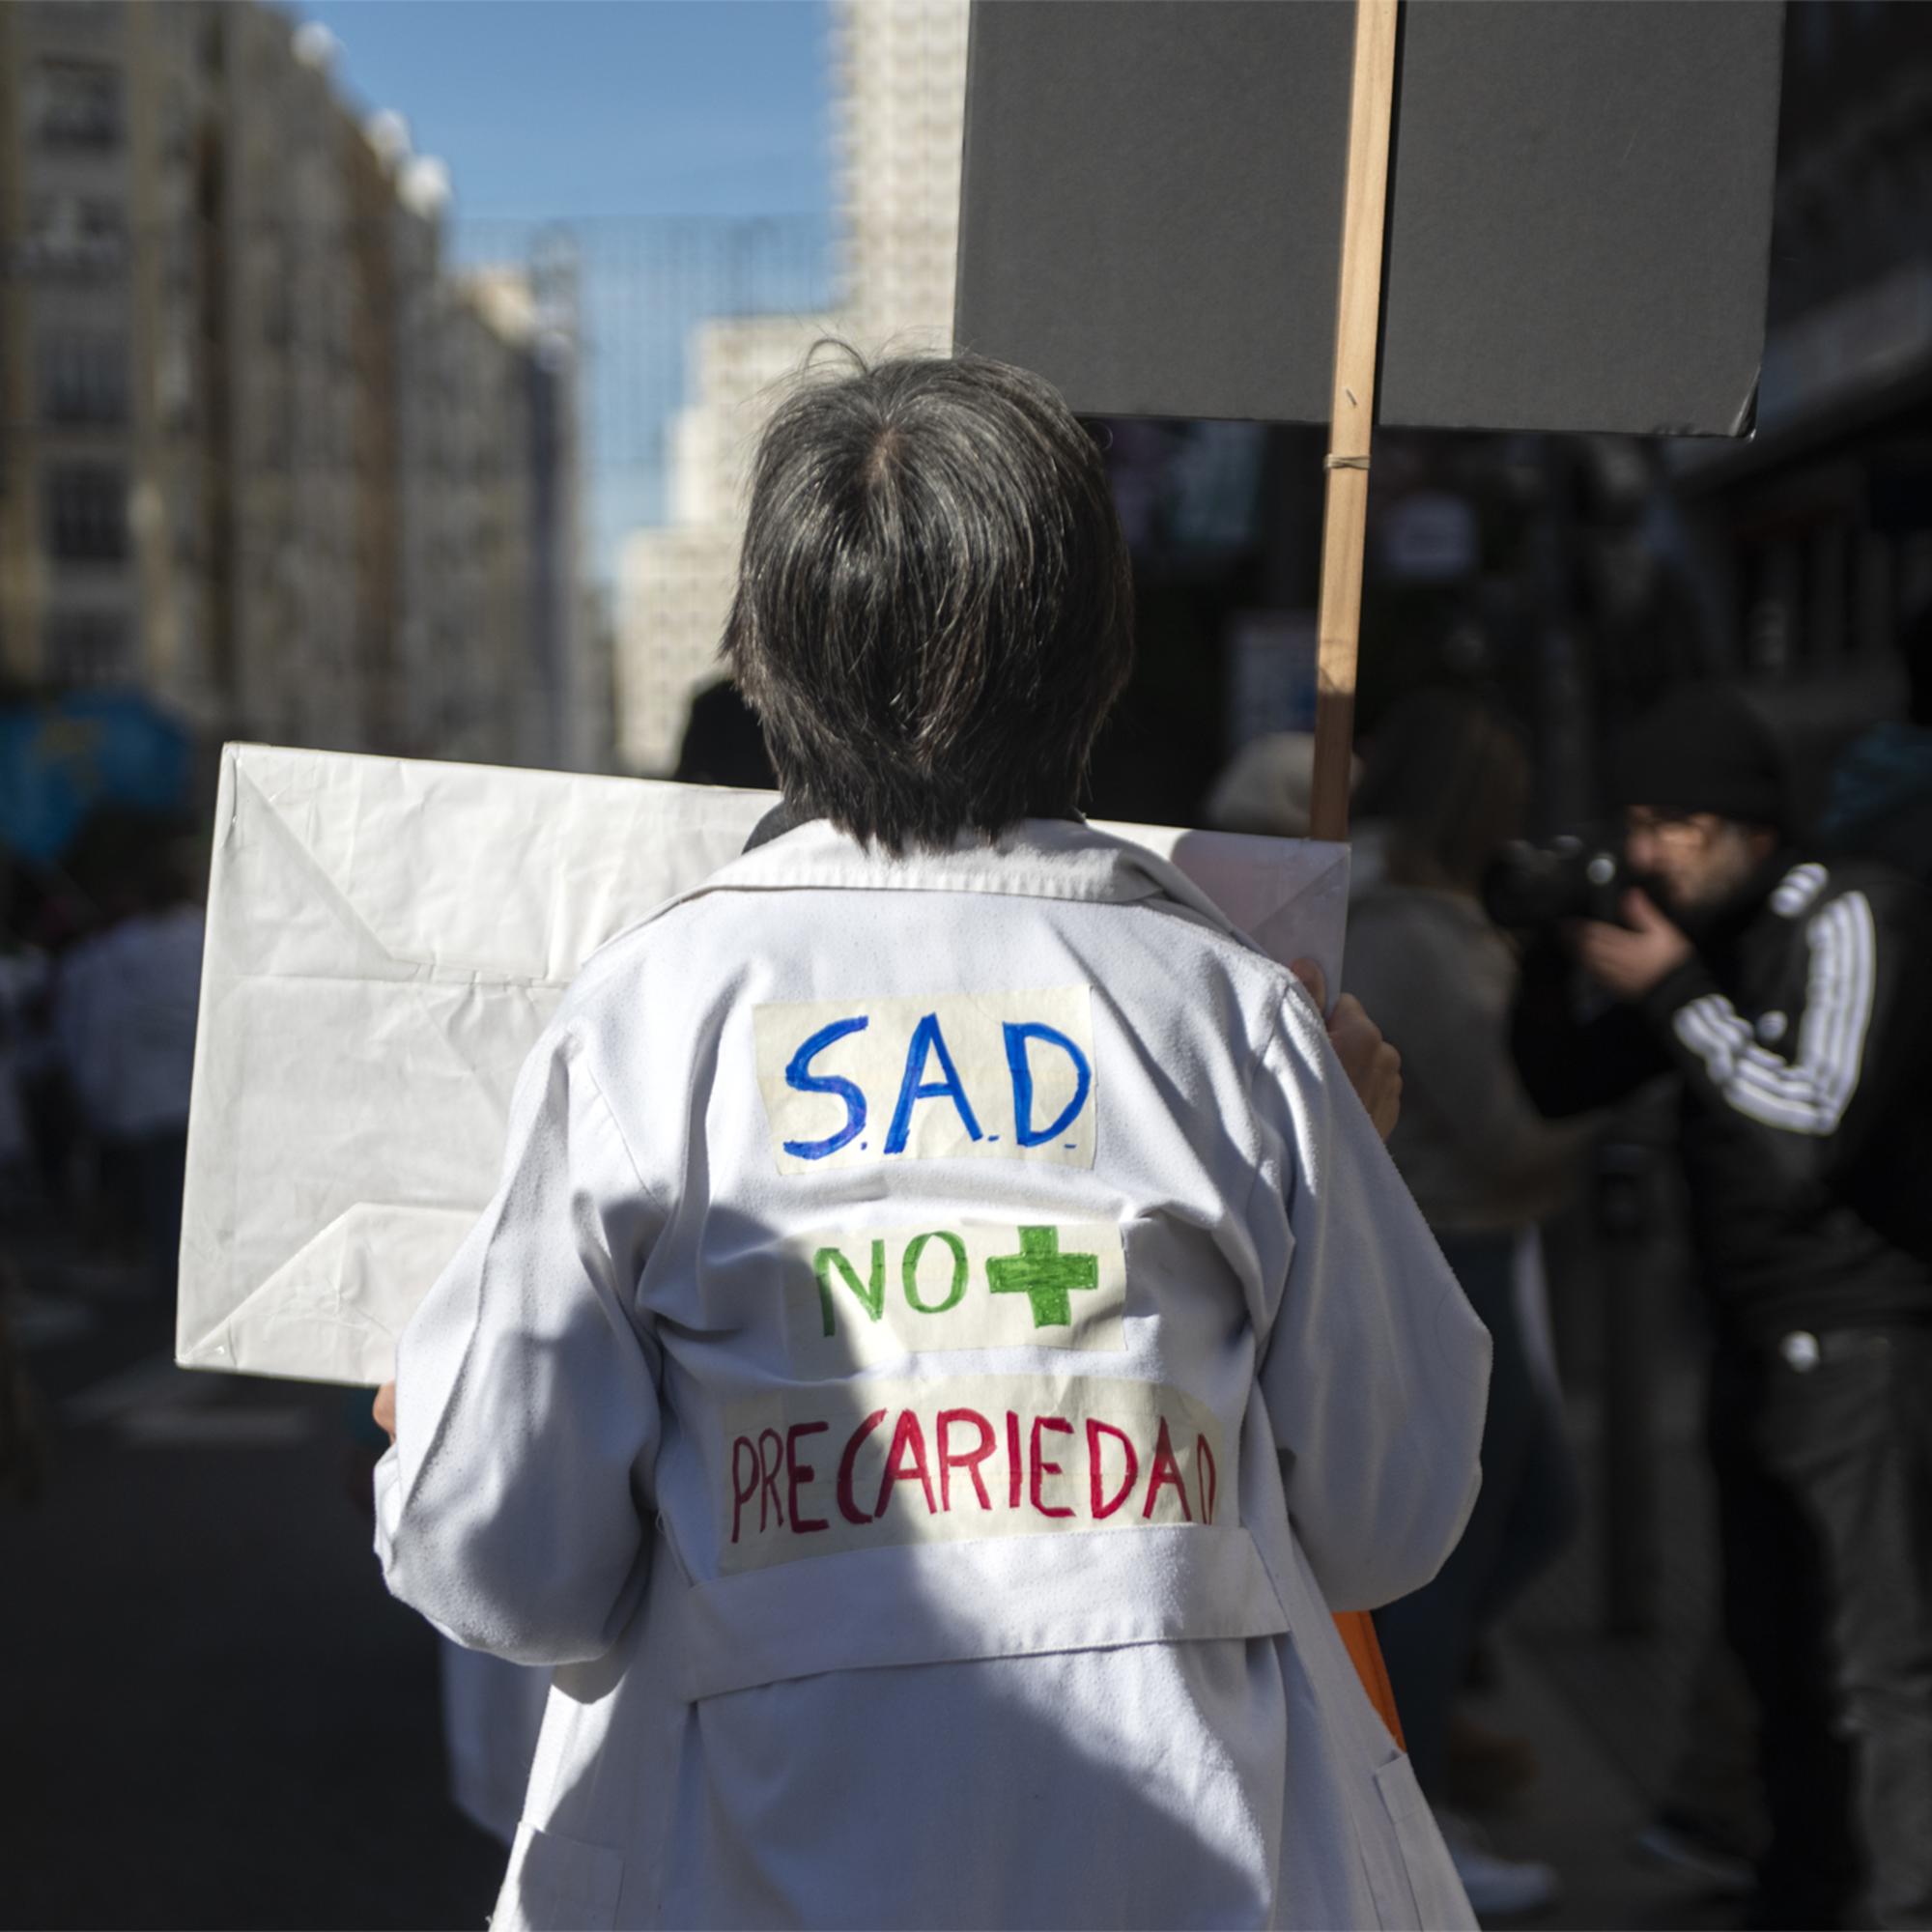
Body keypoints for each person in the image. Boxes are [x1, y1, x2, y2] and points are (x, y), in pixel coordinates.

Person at [371, 351, 1490, 1931]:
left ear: (766, 662)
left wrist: (446, 1416)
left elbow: (502, 1564)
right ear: (1093, 658)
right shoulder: (1232, 1027)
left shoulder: (646, 1019)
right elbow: (1391, 1512)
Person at [1513, 682, 1932, 1931]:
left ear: (1752, 823)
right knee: (1775, 1651)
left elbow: (1811, 1124)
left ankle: (1901, 1903)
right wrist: (1550, 948)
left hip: (1860, 1345)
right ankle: (1801, 1892)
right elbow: (1562, 1083)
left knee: (1878, 1663)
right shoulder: (1712, 930)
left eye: (1677, 823)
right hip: (1751, 1347)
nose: (1649, 852)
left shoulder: (1845, 912)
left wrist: (1673, 990)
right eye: (1635, 821)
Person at [1347, 691, 1590, 1918]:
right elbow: (1502, 1126)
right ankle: (1414, 1799)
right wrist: (1604, 1105)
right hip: (1455, 1241)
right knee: (1467, 1541)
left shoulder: (1414, 916)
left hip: (1461, 1239)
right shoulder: (1415, 931)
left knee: (1516, 1515)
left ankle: (1419, 1754)